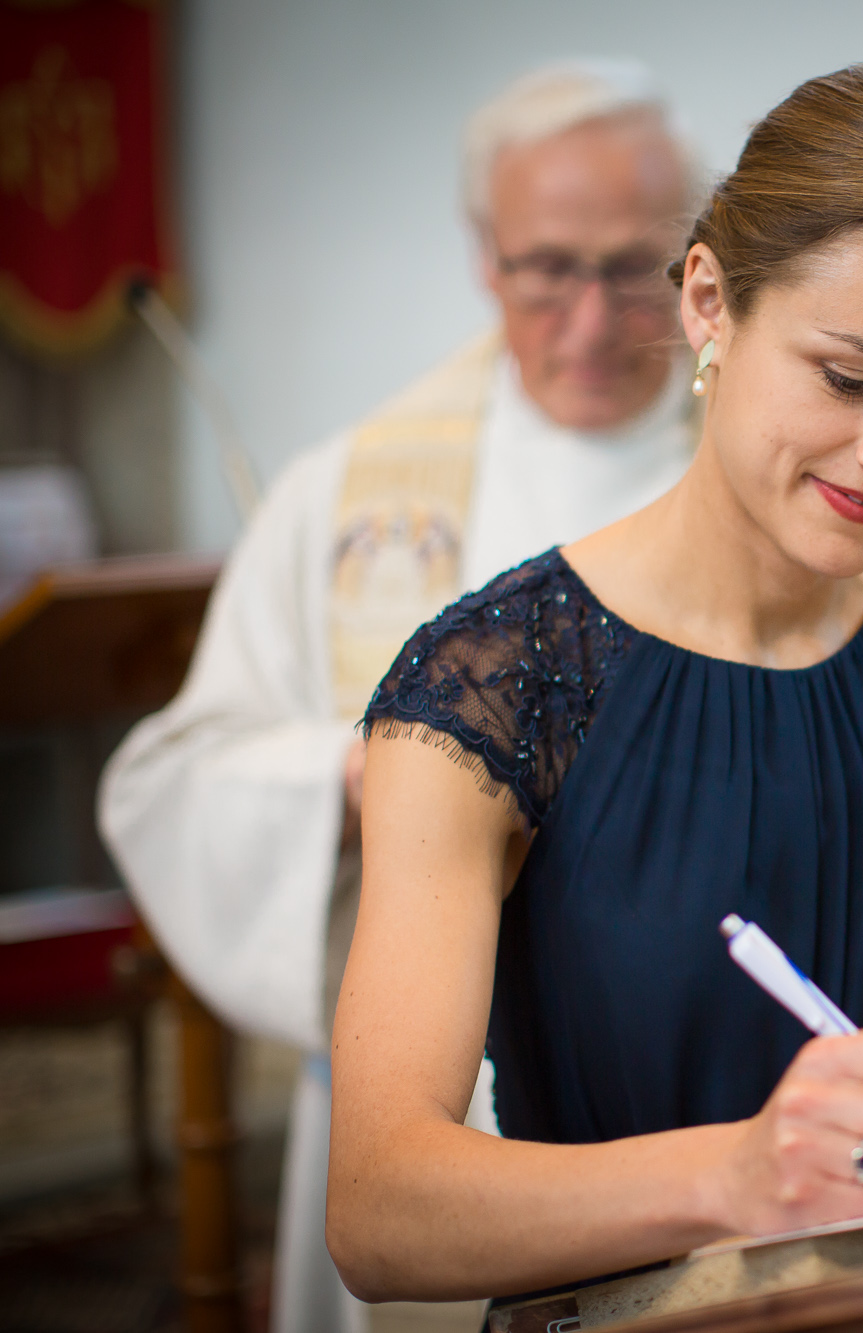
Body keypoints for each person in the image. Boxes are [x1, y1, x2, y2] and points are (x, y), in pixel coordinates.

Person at [325, 63, 863, 1302]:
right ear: (709, 300)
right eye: (850, 380)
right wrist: (740, 1175)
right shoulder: (493, 689)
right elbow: (378, 1212)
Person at [97, 60, 698, 1333]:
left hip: (704, 1075)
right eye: (548, 270)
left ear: (697, 259)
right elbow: (167, 779)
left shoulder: (780, 469)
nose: (592, 319)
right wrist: (352, 771)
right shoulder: (352, 496)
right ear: (485, 256)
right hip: (441, 1093)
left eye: (631, 267)